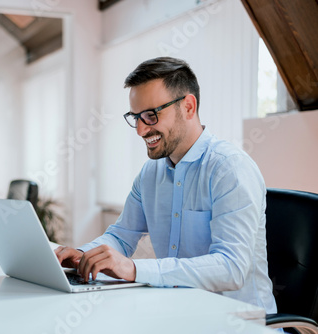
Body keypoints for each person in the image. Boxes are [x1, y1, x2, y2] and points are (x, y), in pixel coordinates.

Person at [55, 57, 277, 314]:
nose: (140, 130)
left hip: (238, 324)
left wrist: (134, 269)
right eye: (135, 117)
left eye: (150, 116)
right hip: (178, 314)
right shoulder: (151, 172)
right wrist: (83, 255)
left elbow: (231, 268)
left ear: (188, 107)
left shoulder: (230, 169)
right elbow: (121, 236)